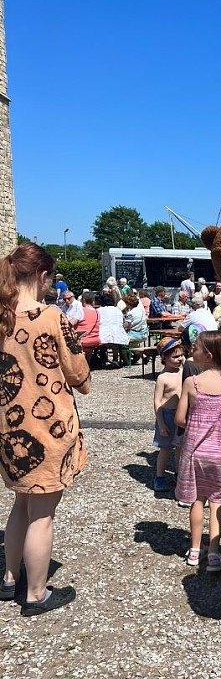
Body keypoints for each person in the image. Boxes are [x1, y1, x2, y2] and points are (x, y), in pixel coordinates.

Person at [0, 243, 91, 616]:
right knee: (43, 513)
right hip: (48, 428)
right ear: (41, 276)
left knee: (22, 501)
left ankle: (9, 577)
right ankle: (36, 593)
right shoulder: (51, 317)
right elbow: (79, 375)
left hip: (8, 428)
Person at [175, 331, 221, 569]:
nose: (192, 349)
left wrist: (196, 424)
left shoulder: (191, 383)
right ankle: (214, 552)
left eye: (196, 347)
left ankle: (194, 550)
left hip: (194, 452)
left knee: (196, 501)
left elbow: (180, 419)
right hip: (217, 455)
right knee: (216, 502)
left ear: (208, 355)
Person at [152, 337, 185, 492]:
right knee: (165, 449)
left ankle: (178, 475)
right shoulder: (162, 377)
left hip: (181, 415)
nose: (180, 359)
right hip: (166, 415)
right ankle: (159, 476)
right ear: (164, 358)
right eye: (175, 356)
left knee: (180, 447)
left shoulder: (183, 371)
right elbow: (157, 402)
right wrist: (161, 423)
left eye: (181, 355)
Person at [97, 292, 130, 366]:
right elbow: (123, 322)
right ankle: (115, 359)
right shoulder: (117, 310)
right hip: (118, 335)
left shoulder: (99, 310)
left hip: (102, 334)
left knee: (104, 339)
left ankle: (103, 359)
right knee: (115, 341)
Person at [75, 291, 101, 365]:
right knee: (88, 349)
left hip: (82, 340)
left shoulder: (81, 311)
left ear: (83, 301)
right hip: (95, 339)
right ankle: (87, 365)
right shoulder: (97, 312)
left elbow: (71, 323)